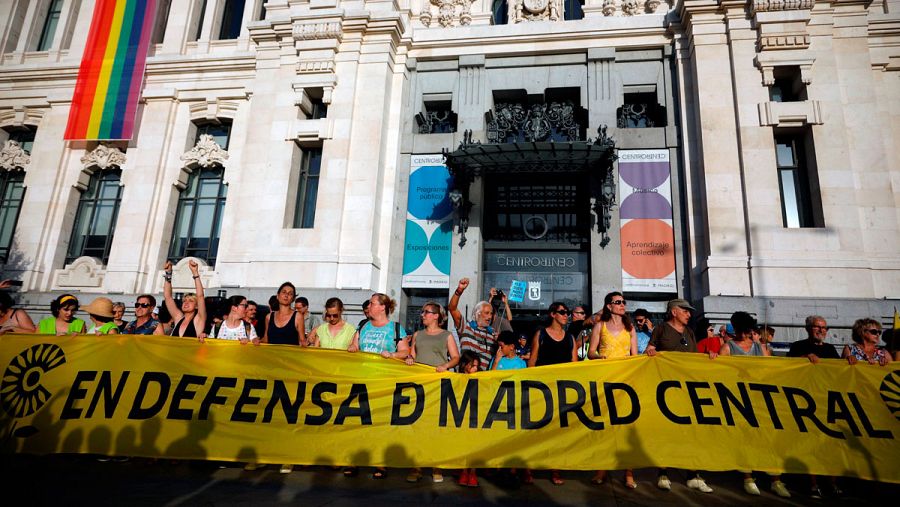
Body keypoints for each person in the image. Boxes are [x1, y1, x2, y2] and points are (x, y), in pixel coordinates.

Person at [645, 298, 715, 493]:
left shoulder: (690, 332)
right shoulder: (661, 330)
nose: (689, 314)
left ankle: (693, 474)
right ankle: (663, 473)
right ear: (674, 311)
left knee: (691, 433)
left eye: (689, 311)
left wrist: (709, 357)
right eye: (685, 311)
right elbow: (648, 352)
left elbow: (694, 358)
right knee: (666, 432)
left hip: (688, 390)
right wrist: (650, 350)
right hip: (666, 390)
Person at [718, 311, 790, 498]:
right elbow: (719, 374)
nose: (743, 333)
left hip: (760, 398)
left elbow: (769, 371)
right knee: (745, 438)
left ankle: (776, 479)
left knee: (768, 438)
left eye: (746, 329)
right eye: (740, 329)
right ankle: (748, 477)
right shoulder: (727, 347)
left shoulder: (760, 347)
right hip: (739, 398)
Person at [347, 292, 408, 479]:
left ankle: (379, 463)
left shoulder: (396, 329)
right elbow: (353, 346)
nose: (369, 307)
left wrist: (392, 355)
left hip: (383, 383)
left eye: (372, 303)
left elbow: (405, 352)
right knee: (358, 422)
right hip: (362, 381)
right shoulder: (363, 325)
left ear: (382, 307)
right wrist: (352, 349)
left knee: (380, 423)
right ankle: (355, 460)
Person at [786, 317, 842, 497]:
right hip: (805, 403)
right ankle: (813, 484)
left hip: (828, 400)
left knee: (830, 444)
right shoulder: (797, 346)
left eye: (824, 327)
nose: (821, 330)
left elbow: (840, 371)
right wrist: (803, 359)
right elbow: (786, 368)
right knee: (810, 443)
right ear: (808, 328)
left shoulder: (831, 349)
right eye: (818, 327)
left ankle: (832, 484)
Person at [587, 292, 637, 489]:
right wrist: (599, 358)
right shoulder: (600, 325)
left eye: (624, 302)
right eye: (618, 302)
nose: (622, 305)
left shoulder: (630, 327)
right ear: (609, 306)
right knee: (605, 425)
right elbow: (591, 352)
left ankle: (629, 472)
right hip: (606, 379)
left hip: (626, 381)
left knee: (627, 427)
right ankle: (602, 468)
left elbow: (635, 355)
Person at [405, 301, 459, 484]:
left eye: (426, 312)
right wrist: (410, 358)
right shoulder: (418, 335)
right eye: (422, 312)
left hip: (438, 385)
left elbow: (456, 357)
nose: (422, 315)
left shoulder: (446, 335)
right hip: (419, 385)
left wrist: (445, 365)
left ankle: (437, 466)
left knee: (436, 426)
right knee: (418, 426)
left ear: (436, 316)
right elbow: (411, 354)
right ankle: (417, 466)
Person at [528, 301, 577, 486]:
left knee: (558, 432)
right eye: (563, 312)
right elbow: (532, 361)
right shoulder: (540, 334)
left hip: (561, 390)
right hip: (541, 389)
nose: (566, 315)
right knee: (537, 430)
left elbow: (573, 365)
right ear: (552, 314)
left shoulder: (570, 337)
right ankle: (529, 466)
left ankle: (555, 468)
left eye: (568, 312)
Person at [448, 278, 496, 371]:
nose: (490, 317)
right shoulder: (466, 327)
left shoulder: (492, 333)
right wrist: (459, 290)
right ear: (477, 313)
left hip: (483, 379)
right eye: (486, 313)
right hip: (466, 376)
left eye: (491, 313)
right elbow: (452, 309)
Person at [161, 260, 207, 341]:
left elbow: (200, 296)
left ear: (197, 306)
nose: (186, 302)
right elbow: (167, 297)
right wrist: (168, 273)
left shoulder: (199, 320)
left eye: (191, 301)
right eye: (184, 300)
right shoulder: (178, 318)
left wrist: (195, 273)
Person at [457, 350, 482, 487]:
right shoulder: (456, 378)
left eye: (477, 366)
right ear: (465, 365)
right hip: (461, 416)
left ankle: (472, 472)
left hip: (475, 417)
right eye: (473, 365)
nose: (475, 368)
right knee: (463, 444)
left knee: (474, 445)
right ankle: (463, 471)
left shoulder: (481, 378)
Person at [262, 282, 305, 347]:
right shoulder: (269, 317)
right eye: (284, 292)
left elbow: (302, 341)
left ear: (293, 299)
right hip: (271, 356)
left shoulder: (298, 316)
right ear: (278, 295)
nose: (286, 295)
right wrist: (255, 340)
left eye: (290, 294)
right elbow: (266, 339)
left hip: (290, 356)